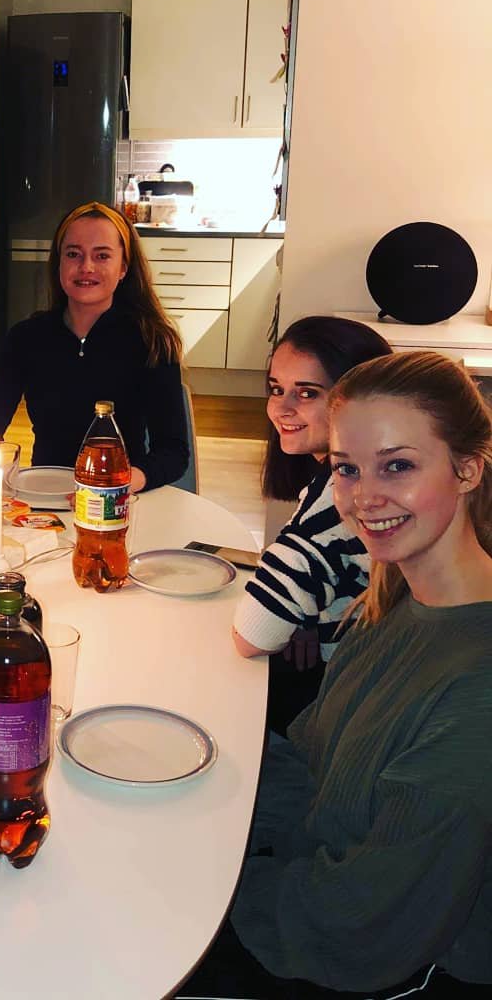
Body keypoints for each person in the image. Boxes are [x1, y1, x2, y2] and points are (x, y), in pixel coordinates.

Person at [183, 351, 492, 998]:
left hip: (356, 963)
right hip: (301, 886)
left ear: (467, 469)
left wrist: (206, 882)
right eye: (347, 468)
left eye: (398, 465)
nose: (364, 497)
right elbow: (311, 762)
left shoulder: (476, 689)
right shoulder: (390, 603)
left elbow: (363, 927)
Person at [0, 201, 188, 498]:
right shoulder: (26, 337)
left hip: (118, 501)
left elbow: (173, 451)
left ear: (123, 267)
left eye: (102, 255)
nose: (86, 267)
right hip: (42, 496)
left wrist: (121, 482)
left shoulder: (153, 341)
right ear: (58, 262)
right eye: (73, 254)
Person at [232, 316, 391, 733]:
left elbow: (252, 637)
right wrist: (305, 611)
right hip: (371, 664)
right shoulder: (381, 471)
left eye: (307, 393)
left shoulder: (339, 501)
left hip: (351, 697)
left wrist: (290, 599)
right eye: (276, 389)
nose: (282, 408)